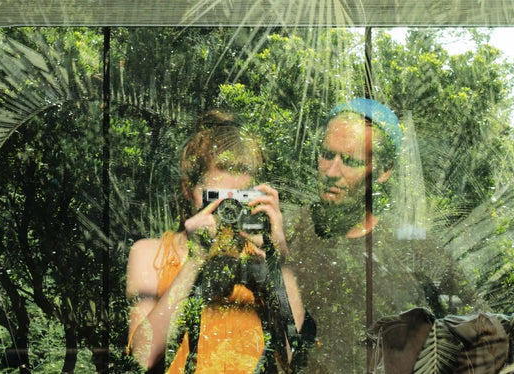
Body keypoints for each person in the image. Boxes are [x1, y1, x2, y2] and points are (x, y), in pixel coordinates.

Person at [289, 98, 477, 373]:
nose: (331, 171)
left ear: (384, 171)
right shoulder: (286, 231)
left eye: (350, 161)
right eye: (327, 154)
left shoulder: (413, 248)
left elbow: (479, 334)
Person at [126, 110, 307, 373]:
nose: (228, 211)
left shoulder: (260, 260)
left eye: (239, 199)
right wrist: (195, 260)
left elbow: (296, 358)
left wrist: (278, 252)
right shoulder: (152, 253)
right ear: (188, 190)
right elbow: (141, 358)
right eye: (216, 198)